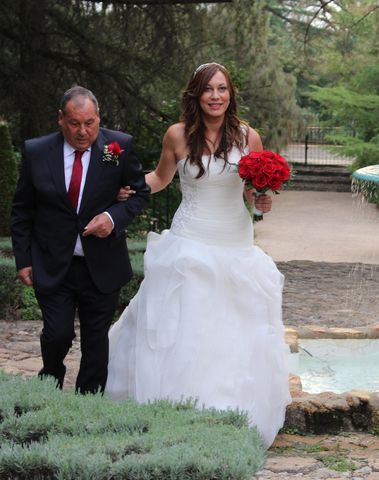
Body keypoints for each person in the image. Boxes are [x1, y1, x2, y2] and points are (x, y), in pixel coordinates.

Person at [105, 62, 291, 447]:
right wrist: (128, 187)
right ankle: (179, 411)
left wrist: (262, 200)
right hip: (189, 240)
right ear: (196, 94)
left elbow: (251, 193)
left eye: (222, 89)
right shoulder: (177, 135)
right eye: (209, 89)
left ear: (230, 94)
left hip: (235, 241)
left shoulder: (247, 137)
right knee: (186, 325)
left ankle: (229, 412)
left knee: (233, 328)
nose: (216, 96)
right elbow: (159, 178)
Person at [11, 86, 150, 394]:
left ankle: (87, 405)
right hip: (52, 262)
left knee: (96, 341)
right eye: (75, 123)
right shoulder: (37, 151)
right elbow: (22, 209)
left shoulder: (117, 146)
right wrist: (23, 259)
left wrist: (112, 218)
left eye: (89, 123)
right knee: (57, 335)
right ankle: (49, 386)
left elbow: (139, 193)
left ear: (98, 118)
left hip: (102, 263)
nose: (83, 131)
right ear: (61, 119)